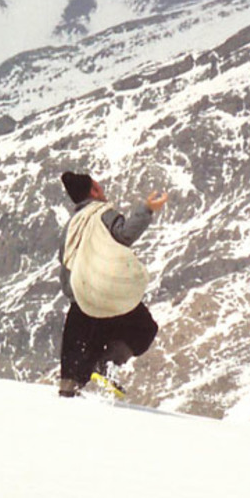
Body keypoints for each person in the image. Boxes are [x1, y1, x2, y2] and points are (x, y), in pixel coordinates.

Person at [57, 171, 168, 398]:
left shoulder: (71, 225)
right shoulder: (102, 214)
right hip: (103, 292)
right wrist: (147, 209)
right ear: (94, 191)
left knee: (75, 358)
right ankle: (107, 364)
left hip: (80, 295)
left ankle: (68, 393)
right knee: (144, 328)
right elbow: (124, 235)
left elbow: (66, 259)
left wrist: (75, 297)